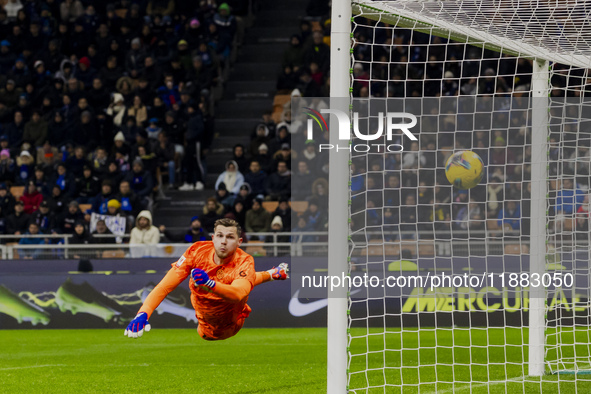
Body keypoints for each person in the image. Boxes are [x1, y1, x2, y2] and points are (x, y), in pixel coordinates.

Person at [124, 218, 289, 341]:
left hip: (230, 324)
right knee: (205, 328)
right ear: (213, 238)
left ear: (239, 242)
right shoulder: (196, 251)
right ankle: (274, 273)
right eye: (220, 235)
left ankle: (272, 273)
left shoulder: (244, 261)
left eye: (230, 237)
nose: (224, 241)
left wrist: (209, 284)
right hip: (204, 323)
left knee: (238, 281)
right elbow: (164, 287)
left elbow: (238, 293)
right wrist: (142, 313)